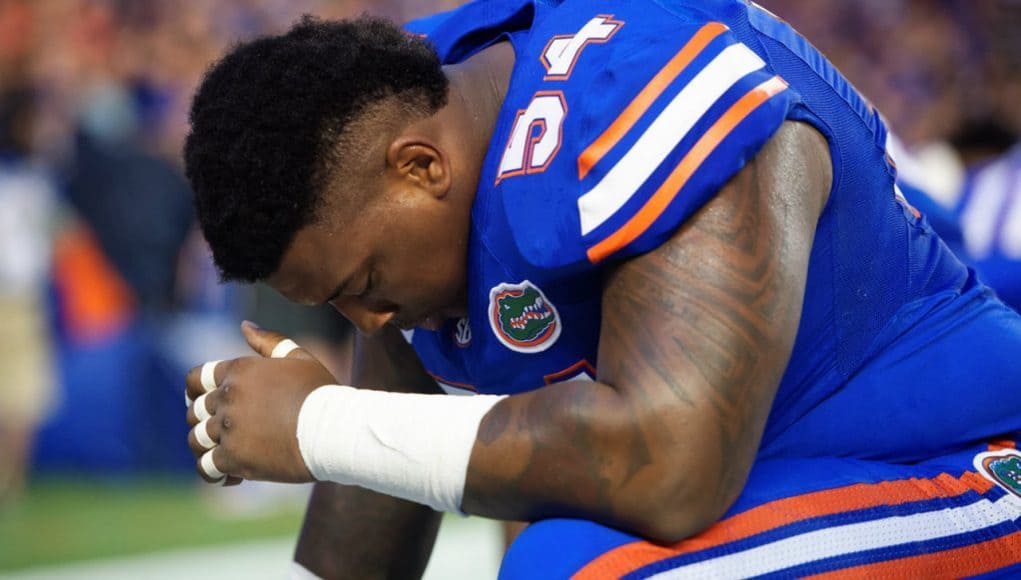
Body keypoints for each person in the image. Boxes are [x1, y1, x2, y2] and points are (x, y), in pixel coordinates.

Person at [181, 0, 1021, 577]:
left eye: (362, 284)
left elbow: (670, 470)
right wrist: (322, 434)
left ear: (420, 166)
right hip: (806, 476)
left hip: (965, 467)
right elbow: (370, 535)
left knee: (574, 566)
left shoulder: (634, 83)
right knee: (550, 529)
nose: (367, 320)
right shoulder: (409, 145)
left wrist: (322, 422)